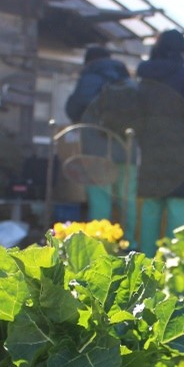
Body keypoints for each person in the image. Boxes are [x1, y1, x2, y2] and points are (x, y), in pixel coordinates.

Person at [135, 30, 184, 257]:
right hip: (179, 151)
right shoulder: (183, 76)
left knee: (151, 208)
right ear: (182, 50)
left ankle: (145, 269)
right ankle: (172, 272)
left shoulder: (145, 76)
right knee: (178, 209)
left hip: (150, 149)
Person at [63, 46, 135, 244]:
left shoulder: (89, 77)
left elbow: (73, 108)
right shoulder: (127, 80)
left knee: (100, 200)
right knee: (127, 200)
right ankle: (130, 247)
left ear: (88, 62)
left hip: (97, 148)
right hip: (127, 148)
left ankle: (100, 247)